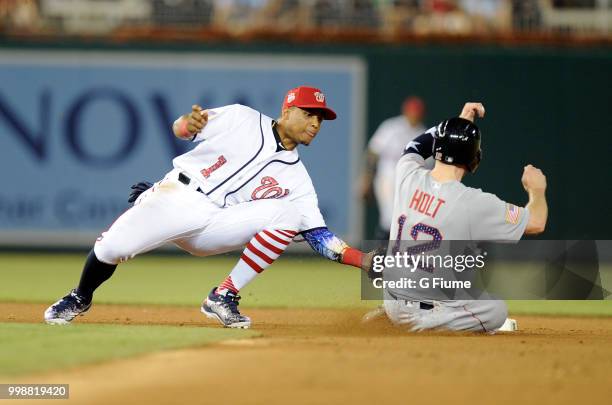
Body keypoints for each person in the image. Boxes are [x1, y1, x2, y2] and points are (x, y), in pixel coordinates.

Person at [44, 86, 368, 329]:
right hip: (178, 197)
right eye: (309, 114)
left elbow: (320, 237)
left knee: (290, 214)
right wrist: (188, 124)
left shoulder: (297, 179)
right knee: (113, 247)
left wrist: (363, 260)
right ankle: (80, 296)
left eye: (321, 119)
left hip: (217, 223)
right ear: (287, 110)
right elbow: (181, 129)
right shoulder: (243, 118)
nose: (315, 123)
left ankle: (223, 296)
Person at [381, 102, 548, 332]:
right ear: (474, 160)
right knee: (495, 309)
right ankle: (421, 326)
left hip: (391, 299)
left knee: (460, 280)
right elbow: (537, 222)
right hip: (424, 311)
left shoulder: (406, 173)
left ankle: (399, 319)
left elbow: (416, 145)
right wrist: (537, 190)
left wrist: (457, 121)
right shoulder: (474, 202)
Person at [360, 96, 426, 240]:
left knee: (406, 220)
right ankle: (380, 256)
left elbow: (428, 168)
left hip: (410, 183)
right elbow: (373, 153)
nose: (414, 115)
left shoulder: (423, 133)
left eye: (417, 112)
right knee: (389, 218)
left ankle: (393, 256)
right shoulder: (391, 127)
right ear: (405, 111)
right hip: (387, 179)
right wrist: (366, 179)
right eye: (412, 111)